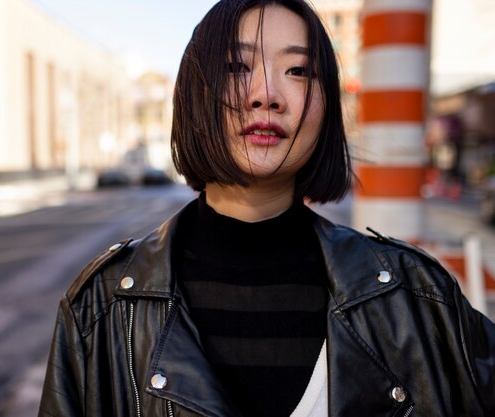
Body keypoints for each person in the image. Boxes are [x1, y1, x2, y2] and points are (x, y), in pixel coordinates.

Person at [38, 0, 495, 416]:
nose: (266, 94)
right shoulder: (102, 306)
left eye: (298, 70)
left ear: (327, 106)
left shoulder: (416, 295)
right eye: (236, 66)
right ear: (195, 95)